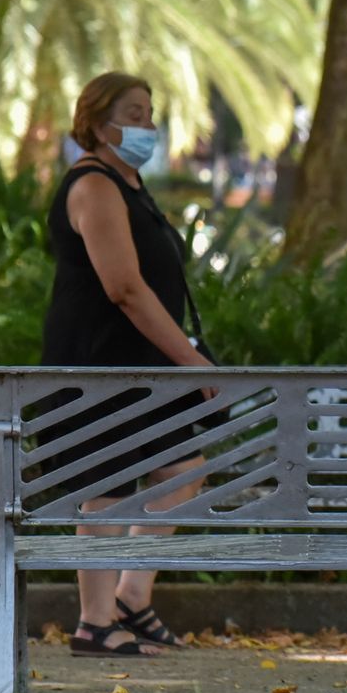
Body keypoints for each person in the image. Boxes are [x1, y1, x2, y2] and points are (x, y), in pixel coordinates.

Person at [40, 72, 218, 657]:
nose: (148, 126)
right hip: (100, 364)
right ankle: (94, 623)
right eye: (134, 115)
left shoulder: (130, 185)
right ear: (97, 124)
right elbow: (124, 288)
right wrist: (191, 361)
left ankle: (131, 598)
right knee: (106, 485)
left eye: (150, 114)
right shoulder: (93, 185)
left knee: (183, 471)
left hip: (143, 368)